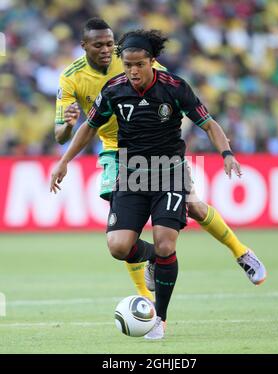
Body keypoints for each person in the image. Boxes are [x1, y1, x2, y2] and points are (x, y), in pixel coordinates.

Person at [51, 29, 266, 339]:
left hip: (169, 172)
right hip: (131, 173)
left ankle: (159, 318)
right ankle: (155, 259)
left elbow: (209, 123)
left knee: (168, 239)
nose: (133, 71)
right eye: (127, 65)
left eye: (139, 64)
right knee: (118, 246)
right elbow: (89, 127)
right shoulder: (114, 90)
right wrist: (64, 161)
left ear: (152, 62)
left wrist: (227, 154)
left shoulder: (174, 88)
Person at [55, 18, 168, 302]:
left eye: (110, 44)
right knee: (121, 234)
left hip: (152, 146)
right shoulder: (70, 77)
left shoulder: (130, 58)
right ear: (84, 46)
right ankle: (148, 287)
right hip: (113, 149)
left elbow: (167, 85)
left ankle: (239, 251)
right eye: (99, 45)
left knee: (194, 208)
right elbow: (60, 135)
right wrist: (68, 125)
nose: (107, 50)